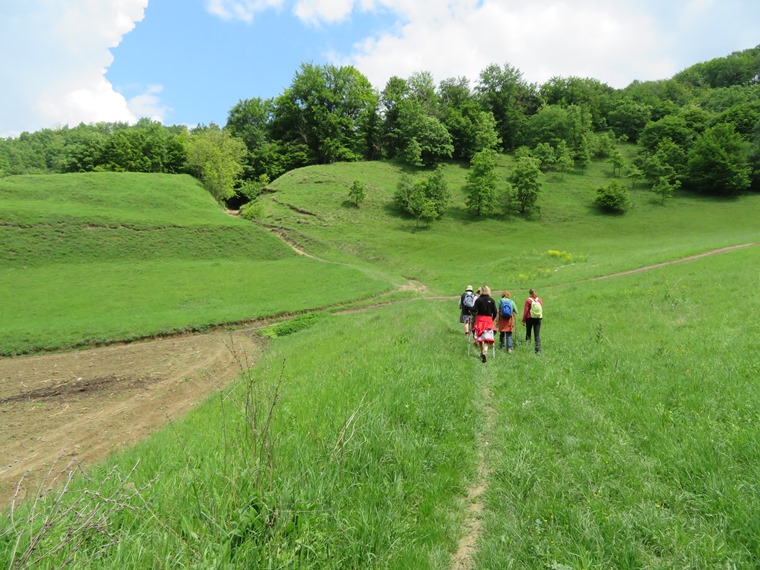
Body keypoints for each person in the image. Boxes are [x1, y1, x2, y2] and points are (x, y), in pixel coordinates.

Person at [472, 285, 497, 362]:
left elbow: (474, 309)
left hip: (480, 320)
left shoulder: (478, 300)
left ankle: (482, 351)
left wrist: (471, 312)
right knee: (486, 338)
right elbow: (495, 312)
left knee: (480, 338)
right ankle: (485, 351)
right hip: (488, 320)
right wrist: (492, 319)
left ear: (481, 291)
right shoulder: (491, 300)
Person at [521, 288, 543, 354]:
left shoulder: (528, 300)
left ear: (529, 293)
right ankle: (538, 350)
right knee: (537, 335)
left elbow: (526, 311)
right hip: (538, 318)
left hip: (529, 318)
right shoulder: (539, 300)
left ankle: (527, 349)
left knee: (528, 334)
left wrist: (523, 320)